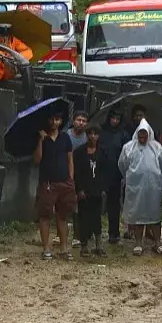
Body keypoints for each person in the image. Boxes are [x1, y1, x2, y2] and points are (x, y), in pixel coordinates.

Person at [118, 119, 162, 256]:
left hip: (153, 188)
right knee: (138, 215)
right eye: (140, 136)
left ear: (149, 134)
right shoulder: (128, 147)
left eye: (144, 136)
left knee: (154, 216)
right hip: (135, 187)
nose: (142, 138)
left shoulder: (157, 147)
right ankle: (138, 243)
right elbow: (122, 165)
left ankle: (157, 243)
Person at [33, 111, 77, 260]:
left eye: (57, 119)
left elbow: (70, 158)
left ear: (61, 121)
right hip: (47, 183)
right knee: (45, 215)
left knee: (62, 215)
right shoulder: (42, 138)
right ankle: (46, 248)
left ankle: (64, 248)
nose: (54, 122)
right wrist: (40, 140)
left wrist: (71, 178)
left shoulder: (65, 137)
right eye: (51, 119)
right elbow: (37, 160)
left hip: (64, 182)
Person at [74, 125, 106, 256]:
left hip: (97, 190)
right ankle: (84, 245)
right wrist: (79, 189)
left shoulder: (103, 151)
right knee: (84, 218)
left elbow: (106, 171)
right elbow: (76, 172)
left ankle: (99, 244)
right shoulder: (79, 152)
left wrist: (104, 188)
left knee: (97, 217)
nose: (93, 136)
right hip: (84, 190)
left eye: (95, 134)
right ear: (87, 135)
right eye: (90, 134)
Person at [99, 110, 129, 244]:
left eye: (118, 119)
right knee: (95, 203)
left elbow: (126, 154)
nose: (115, 121)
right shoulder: (101, 132)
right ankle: (94, 232)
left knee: (114, 205)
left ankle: (113, 233)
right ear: (109, 118)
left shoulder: (123, 134)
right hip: (100, 172)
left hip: (116, 174)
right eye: (113, 118)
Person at [66, 110, 89, 246]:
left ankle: (77, 235)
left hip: (82, 175)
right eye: (79, 120)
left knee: (78, 207)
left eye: (84, 121)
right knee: (62, 205)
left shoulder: (87, 137)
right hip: (65, 173)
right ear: (73, 121)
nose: (81, 123)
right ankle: (59, 234)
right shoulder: (66, 136)